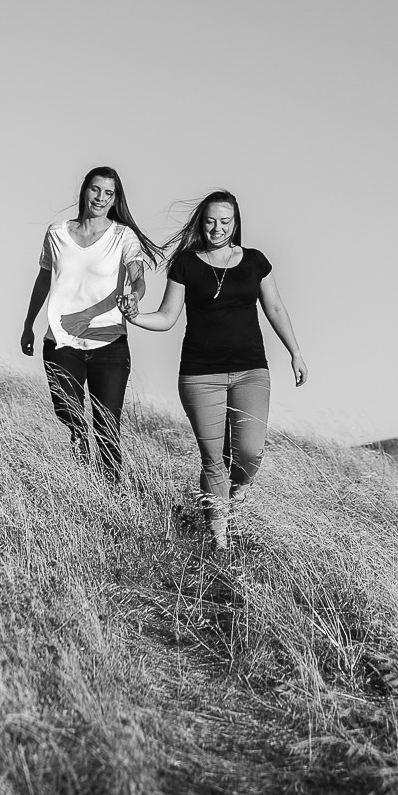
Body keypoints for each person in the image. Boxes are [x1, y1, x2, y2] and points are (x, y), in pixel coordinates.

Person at [121, 190, 306, 548]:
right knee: (213, 458)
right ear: (200, 222)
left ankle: (236, 494)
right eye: (210, 221)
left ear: (236, 224)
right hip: (199, 374)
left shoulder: (255, 261)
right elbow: (167, 317)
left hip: (251, 371)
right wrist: (135, 317)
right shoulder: (187, 264)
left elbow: (276, 310)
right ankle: (219, 541)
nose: (216, 228)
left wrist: (295, 352)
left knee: (250, 453)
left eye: (225, 221)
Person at [21, 167, 162, 481]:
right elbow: (44, 279)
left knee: (107, 424)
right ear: (84, 191)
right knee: (69, 415)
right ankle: (82, 477)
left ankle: (111, 495)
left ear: (115, 199)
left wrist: (135, 297)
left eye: (108, 193)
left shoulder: (123, 237)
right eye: (95, 190)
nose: (100, 198)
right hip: (60, 342)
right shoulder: (56, 232)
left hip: (109, 345)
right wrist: (28, 324)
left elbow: (138, 277)